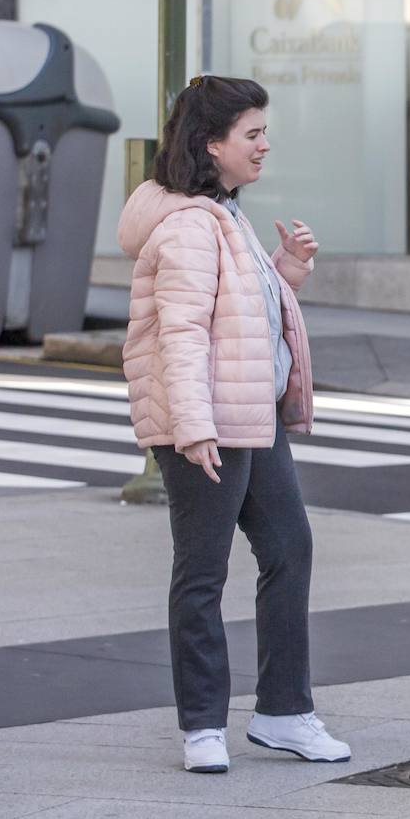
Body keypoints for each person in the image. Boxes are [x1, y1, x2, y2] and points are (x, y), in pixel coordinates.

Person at [117, 75, 350, 774]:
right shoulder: (189, 225)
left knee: (289, 549)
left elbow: (241, 313)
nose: (264, 144)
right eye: (251, 134)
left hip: (251, 416)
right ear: (210, 144)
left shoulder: (222, 212)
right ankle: (202, 726)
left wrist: (289, 268)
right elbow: (181, 333)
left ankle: (284, 712)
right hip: (208, 424)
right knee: (202, 571)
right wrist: (191, 428)